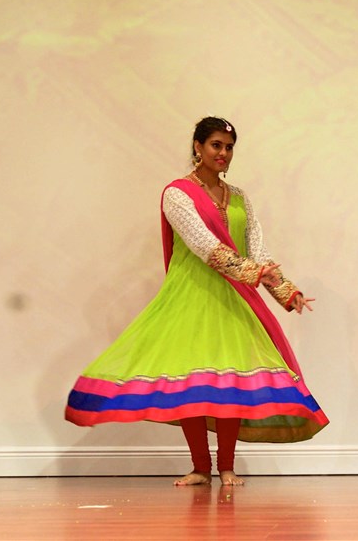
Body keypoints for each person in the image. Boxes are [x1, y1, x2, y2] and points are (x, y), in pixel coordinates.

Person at [65, 116, 327, 486]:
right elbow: (205, 246)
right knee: (191, 384)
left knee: (232, 382)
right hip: (191, 296)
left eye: (229, 147)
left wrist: (286, 290)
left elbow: (257, 249)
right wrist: (256, 273)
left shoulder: (240, 198)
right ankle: (200, 468)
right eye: (216, 145)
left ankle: (227, 467)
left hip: (233, 297)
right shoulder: (177, 194)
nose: (223, 153)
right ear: (198, 147)